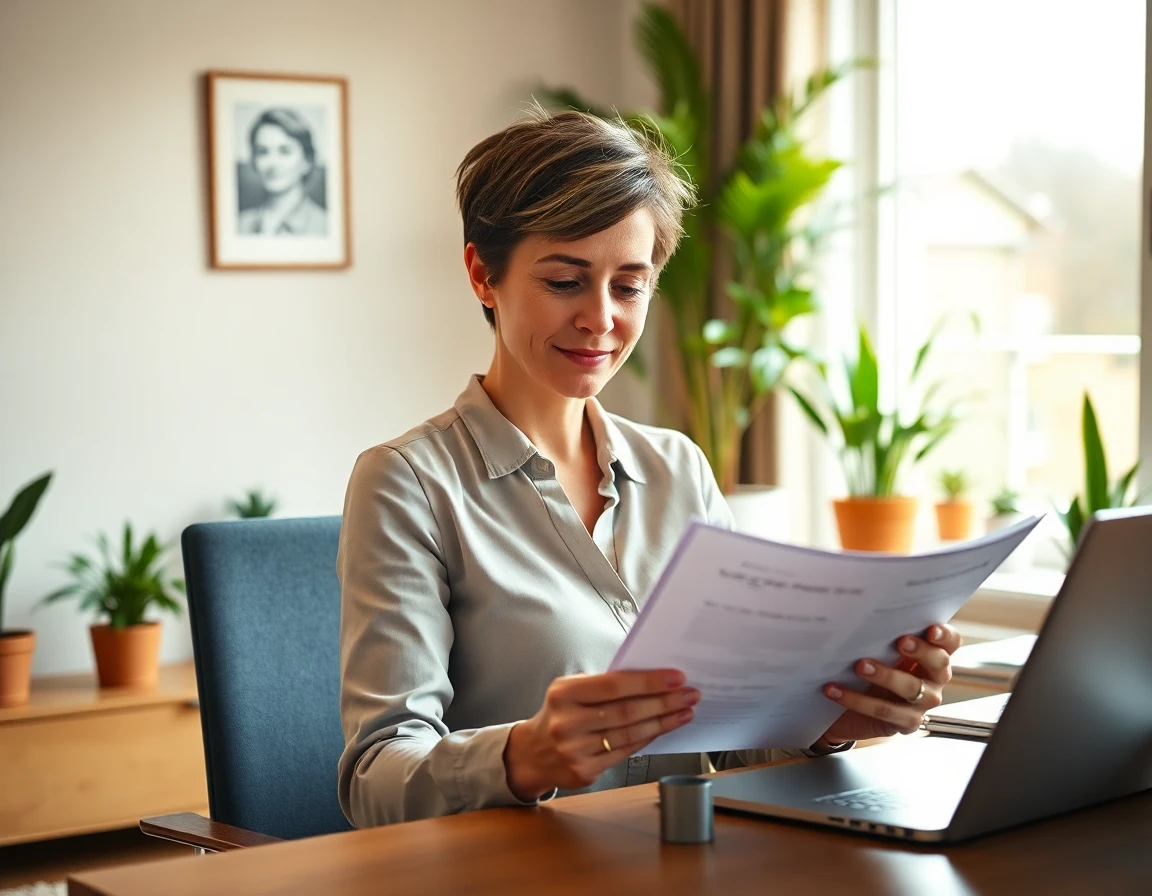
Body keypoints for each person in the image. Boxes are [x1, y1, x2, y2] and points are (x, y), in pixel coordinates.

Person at [337, 109, 960, 828]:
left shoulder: (677, 470)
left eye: (629, 287)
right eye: (566, 282)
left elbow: (733, 738)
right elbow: (375, 779)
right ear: (484, 274)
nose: (600, 317)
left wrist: (836, 721)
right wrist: (524, 755)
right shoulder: (408, 483)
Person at [237, 108, 327, 236]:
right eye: (263, 152)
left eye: (285, 151)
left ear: (306, 161)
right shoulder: (240, 224)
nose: (272, 164)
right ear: (253, 161)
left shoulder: (325, 226)